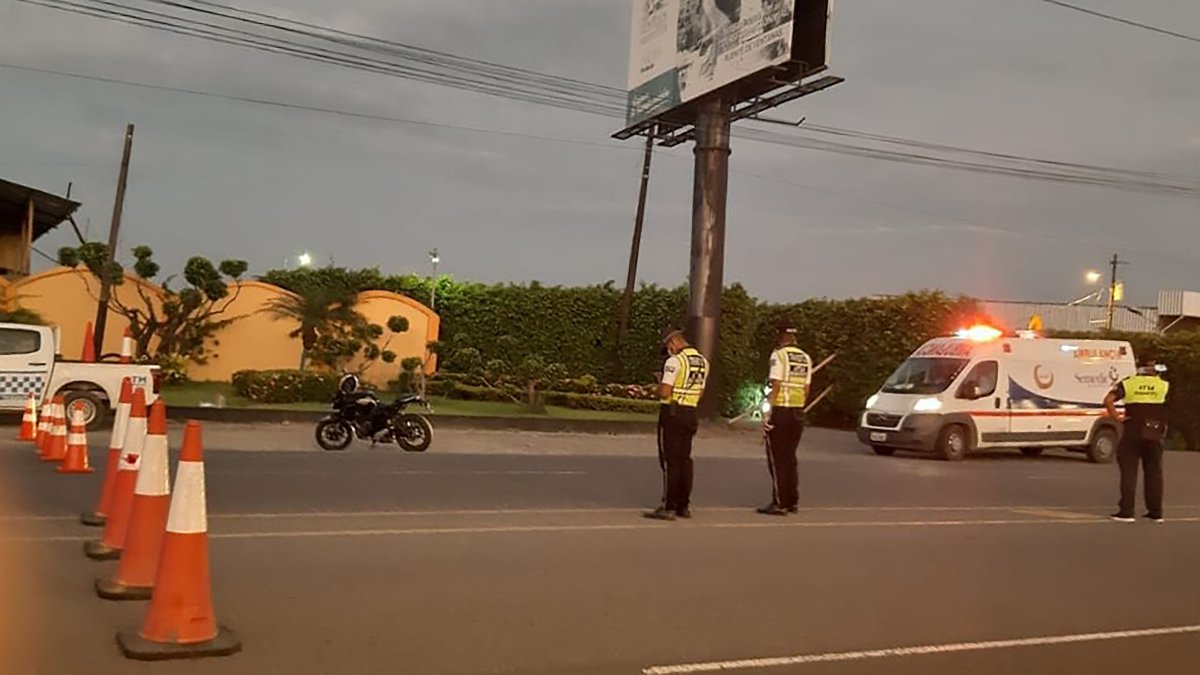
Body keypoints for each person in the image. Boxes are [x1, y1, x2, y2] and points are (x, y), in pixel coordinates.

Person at [645, 328, 709, 521]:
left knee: (670, 461)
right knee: (685, 460)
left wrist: (656, 385)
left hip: (672, 413)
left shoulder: (674, 361)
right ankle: (684, 505)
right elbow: (700, 393)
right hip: (690, 412)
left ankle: (668, 506)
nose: (668, 350)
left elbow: (665, 392)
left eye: (668, 347)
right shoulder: (703, 362)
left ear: (672, 342)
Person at [1105, 360, 1170, 523]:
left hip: (1132, 431)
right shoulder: (1163, 385)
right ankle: (1156, 513)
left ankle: (1126, 512)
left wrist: (1118, 418)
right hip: (1154, 432)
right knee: (1154, 473)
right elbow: (1169, 407)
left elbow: (1108, 400)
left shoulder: (1129, 383)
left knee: (1129, 472)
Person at [757, 325, 811, 516]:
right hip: (797, 412)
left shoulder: (778, 356)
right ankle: (792, 501)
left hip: (780, 411)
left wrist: (767, 412)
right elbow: (806, 389)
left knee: (777, 458)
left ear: (781, 336)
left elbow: (776, 384)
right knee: (790, 457)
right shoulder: (805, 358)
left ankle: (779, 502)